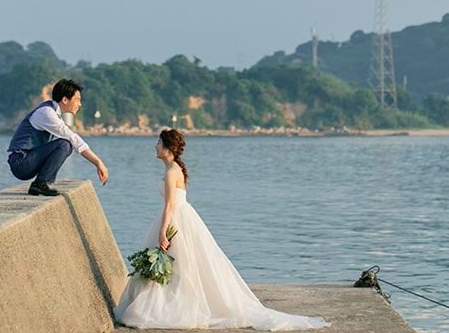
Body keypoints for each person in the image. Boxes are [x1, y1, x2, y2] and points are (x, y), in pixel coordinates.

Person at [114, 129, 329, 330]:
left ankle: (169, 308)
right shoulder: (174, 169)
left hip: (175, 221)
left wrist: (162, 232)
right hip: (180, 218)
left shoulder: (172, 172)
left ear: (168, 148)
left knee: (178, 267)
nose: (155, 147)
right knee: (179, 267)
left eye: (159, 143)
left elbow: (170, 205)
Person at [6, 78, 108, 197]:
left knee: (66, 144)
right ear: (65, 100)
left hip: (27, 160)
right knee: (64, 144)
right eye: (77, 100)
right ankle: (39, 184)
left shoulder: (54, 114)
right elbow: (74, 139)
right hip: (20, 162)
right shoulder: (47, 113)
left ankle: (39, 184)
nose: (79, 104)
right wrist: (98, 162)